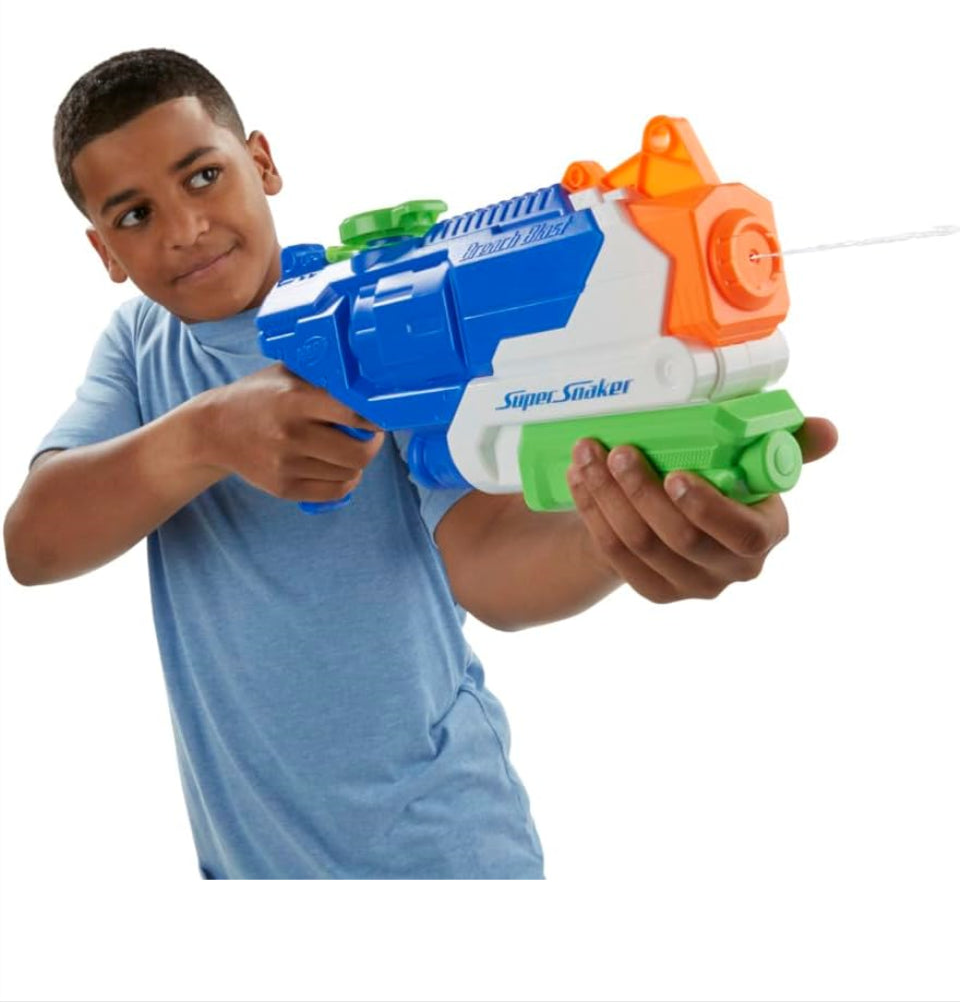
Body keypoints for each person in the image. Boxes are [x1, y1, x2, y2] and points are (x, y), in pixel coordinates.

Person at [3, 48, 838, 880]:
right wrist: (209, 434)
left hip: (441, 858)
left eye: (203, 177)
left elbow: (485, 565)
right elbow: (34, 543)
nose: (184, 228)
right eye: (135, 216)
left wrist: (621, 530)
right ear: (105, 251)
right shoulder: (139, 345)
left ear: (261, 163)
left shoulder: (378, 314)